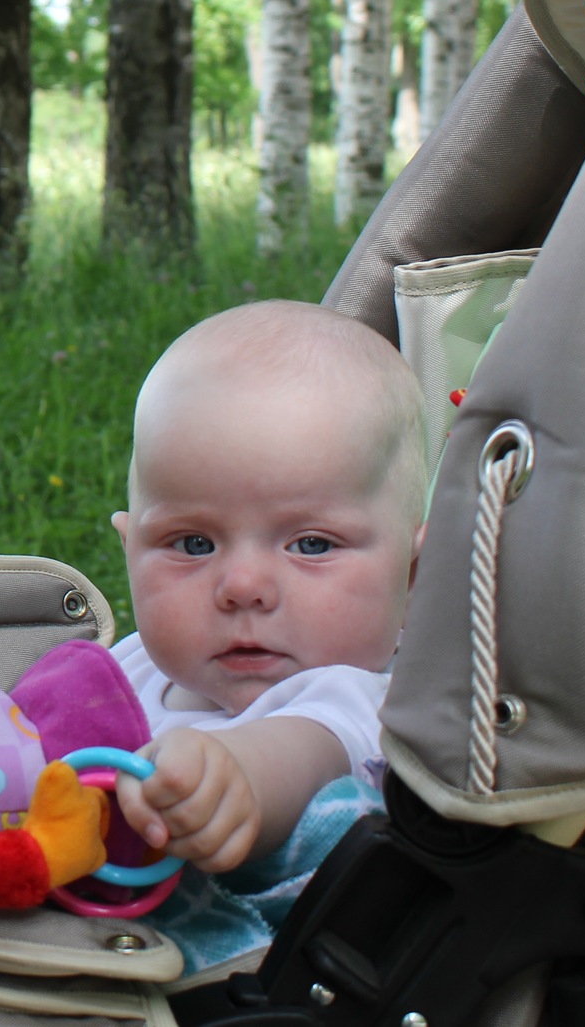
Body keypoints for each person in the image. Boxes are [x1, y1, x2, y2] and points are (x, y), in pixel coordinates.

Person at [106, 300, 427, 876]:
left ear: (412, 575)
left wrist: (233, 776)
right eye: (194, 544)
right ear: (131, 553)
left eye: (312, 545)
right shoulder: (128, 671)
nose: (243, 587)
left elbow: (302, 754)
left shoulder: (373, 701)